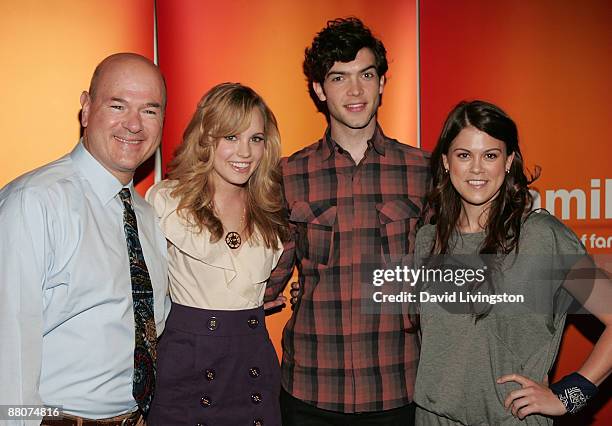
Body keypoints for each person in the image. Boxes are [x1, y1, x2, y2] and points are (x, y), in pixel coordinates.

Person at [265, 17, 431, 425]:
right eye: (339, 78)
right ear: (320, 89)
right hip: (311, 388)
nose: (355, 91)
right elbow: (264, 280)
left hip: (400, 387)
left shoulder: (424, 170)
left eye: (366, 75)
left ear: (382, 83)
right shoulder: (289, 174)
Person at [412, 100, 611, 425]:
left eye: (490, 155)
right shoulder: (427, 241)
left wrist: (569, 396)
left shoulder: (542, 237)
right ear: (446, 162)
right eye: (464, 155)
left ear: (509, 162)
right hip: (432, 419)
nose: (476, 168)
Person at [0, 53, 170, 425]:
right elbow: (7, 356)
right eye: (118, 105)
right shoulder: (34, 203)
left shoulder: (148, 217)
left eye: (150, 111)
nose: (134, 124)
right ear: (86, 109)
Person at [145, 83, 288, 426]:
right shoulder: (166, 201)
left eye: (256, 138)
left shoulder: (270, 210)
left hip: (252, 364)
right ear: (207, 138)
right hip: (186, 367)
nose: (245, 152)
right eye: (231, 137)